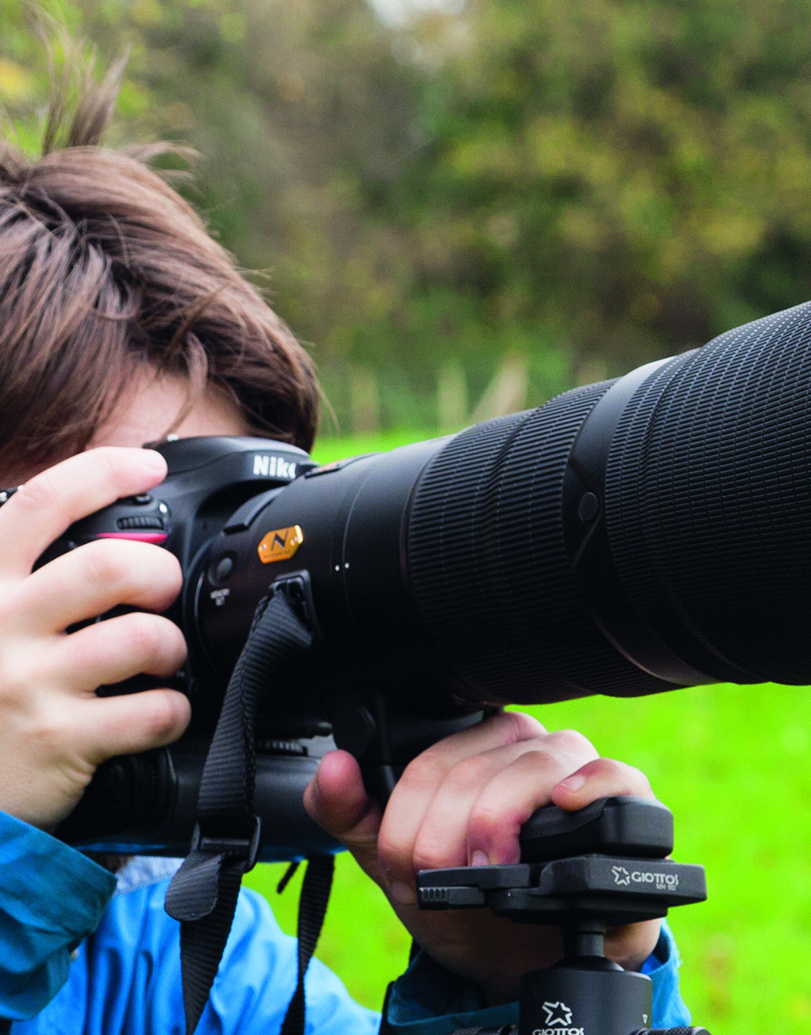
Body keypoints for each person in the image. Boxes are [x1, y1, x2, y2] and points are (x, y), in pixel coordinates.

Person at [0, 51, 693, 1035]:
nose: (217, 621)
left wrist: (527, 993)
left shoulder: (174, 939)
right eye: (130, 540)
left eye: (232, 533)